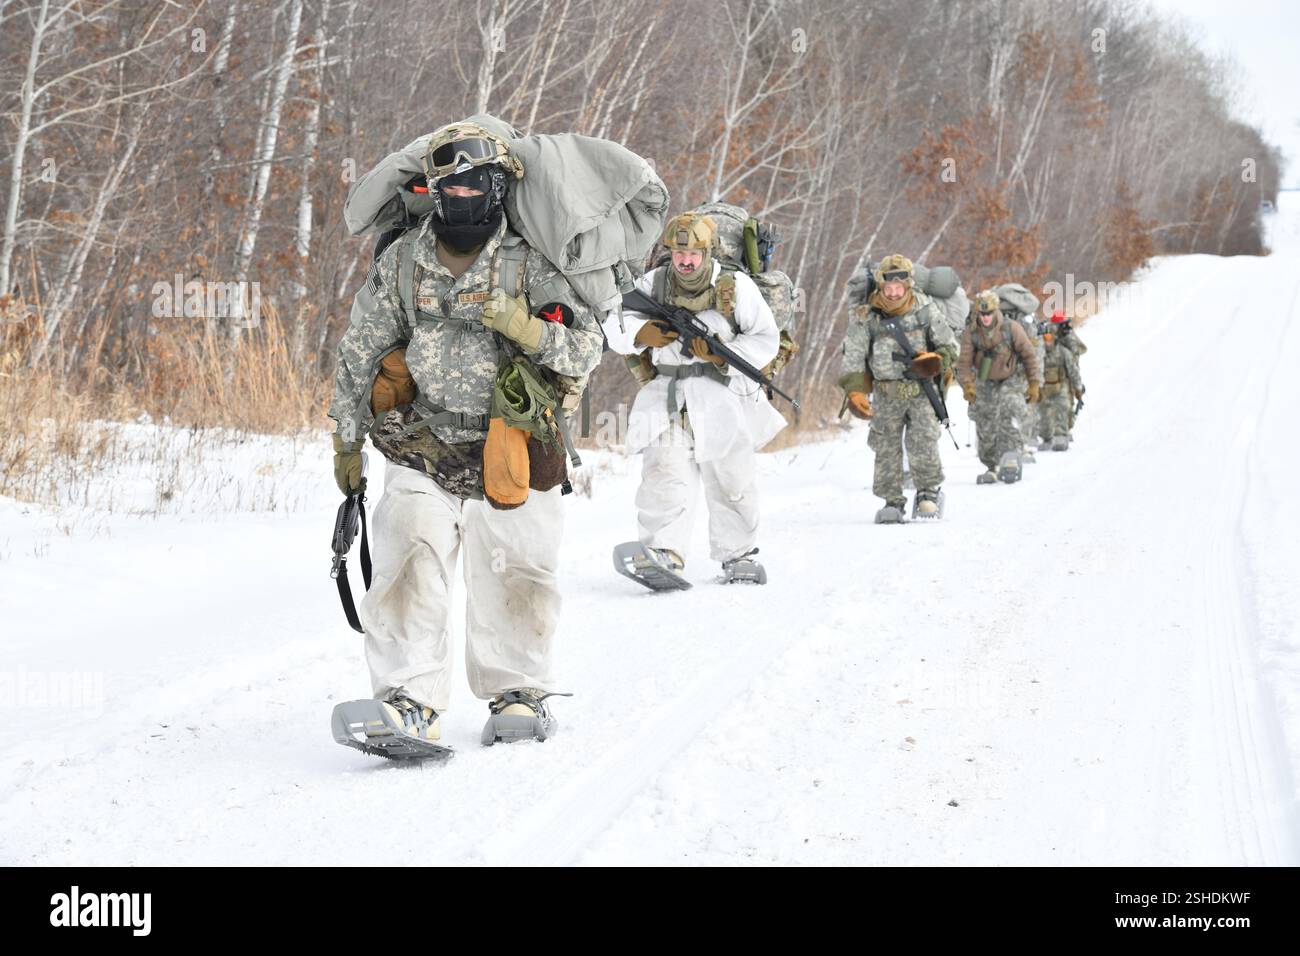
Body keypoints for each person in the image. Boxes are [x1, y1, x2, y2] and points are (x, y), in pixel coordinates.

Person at [328, 121, 603, 752]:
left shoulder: (534, 262)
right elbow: (360, 350)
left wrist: (527, 328)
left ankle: (519, 694)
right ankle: (408, 701)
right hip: (421, 442)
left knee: (518, 574)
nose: (461, 196)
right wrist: (347, 438)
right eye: (449, 185)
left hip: (518, 445)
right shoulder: (404, 260)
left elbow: (586, 349)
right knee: (406, 566)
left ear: (499, 185)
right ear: (433, 188)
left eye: (474, 184)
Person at [603, 212, 785, 587]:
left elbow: (766, 340)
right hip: (665, 395)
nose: (685, 261)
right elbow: (613, 322)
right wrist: (642, 334)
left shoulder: (734, 287)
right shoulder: (653, 283)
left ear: (707, 251)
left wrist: (721, 354)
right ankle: (664, 552)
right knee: (663, 473)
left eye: (693, 254)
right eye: (678, 252)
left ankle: (739, 556)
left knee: (731, 478)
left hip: (721, 396)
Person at [839, 254, 958, 521]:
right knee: (885, 446)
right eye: (888, 288)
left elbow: (949, 345)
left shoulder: (926, 310)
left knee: (923, 442)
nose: (893, 293)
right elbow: (854, 354)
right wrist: (855, 389)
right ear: (881, 285)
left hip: (921, 392)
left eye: (899, 288)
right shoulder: (867, 315)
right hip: (885, 394)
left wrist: (936, 361)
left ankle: (928, 495)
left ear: (908, 285)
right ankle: (892, 501)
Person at [957, 290, 1042, 484]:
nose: (985, 318)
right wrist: (967, 386)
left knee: (1009, 407)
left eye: (989, 314)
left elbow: (1029, 356)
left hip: (1010, 377)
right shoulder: (971, 333)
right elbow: (963, 362)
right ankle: (991, 464)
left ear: (996, 312)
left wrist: (1034, 384)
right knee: (985, 418)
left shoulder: (1011, 328)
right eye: (982, 314)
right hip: (985, 379)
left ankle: (1011, 455)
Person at [1037, 310, 1084, 450]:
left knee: (1063, 406)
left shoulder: (1065, 349)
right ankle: (1046, 437)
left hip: (1062, 382)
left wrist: (1078, 388)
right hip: (1044, 385)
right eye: (1045, 337)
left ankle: (1061, 434)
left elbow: (1073, 369)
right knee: (1043, 412)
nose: (1048, 340)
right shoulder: (1040, 352)